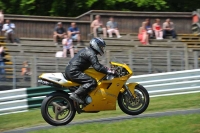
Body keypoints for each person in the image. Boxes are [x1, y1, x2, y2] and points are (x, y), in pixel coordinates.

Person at [65, 37, 115, 103]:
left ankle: (83, 97)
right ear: (96, 45)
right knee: (92, 82)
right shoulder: (91, 53)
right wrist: (109, 71)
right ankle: (76, 94)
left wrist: (106, 68)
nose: (102, 49)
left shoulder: (89, 51)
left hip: (71, 70)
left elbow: (97, 64)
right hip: (74, 71)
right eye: (101, 47)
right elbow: (97, 67)